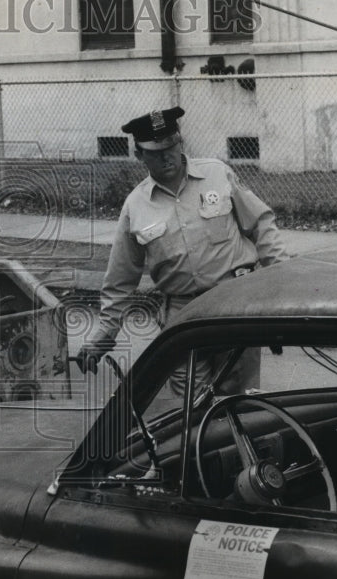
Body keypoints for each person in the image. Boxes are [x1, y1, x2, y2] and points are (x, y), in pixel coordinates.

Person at [74, 105, 288, 397]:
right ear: (139, 155)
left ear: (180, 142)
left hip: (234, 305)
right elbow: (120, 280)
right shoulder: (135, 207)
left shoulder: (218, 174)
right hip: (182, 316)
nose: (167, 156)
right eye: (155, 151)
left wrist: (283, 291)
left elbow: (262, 225)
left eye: (171, 146)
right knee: (192, 410)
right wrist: (103, 336)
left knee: (242, 405)